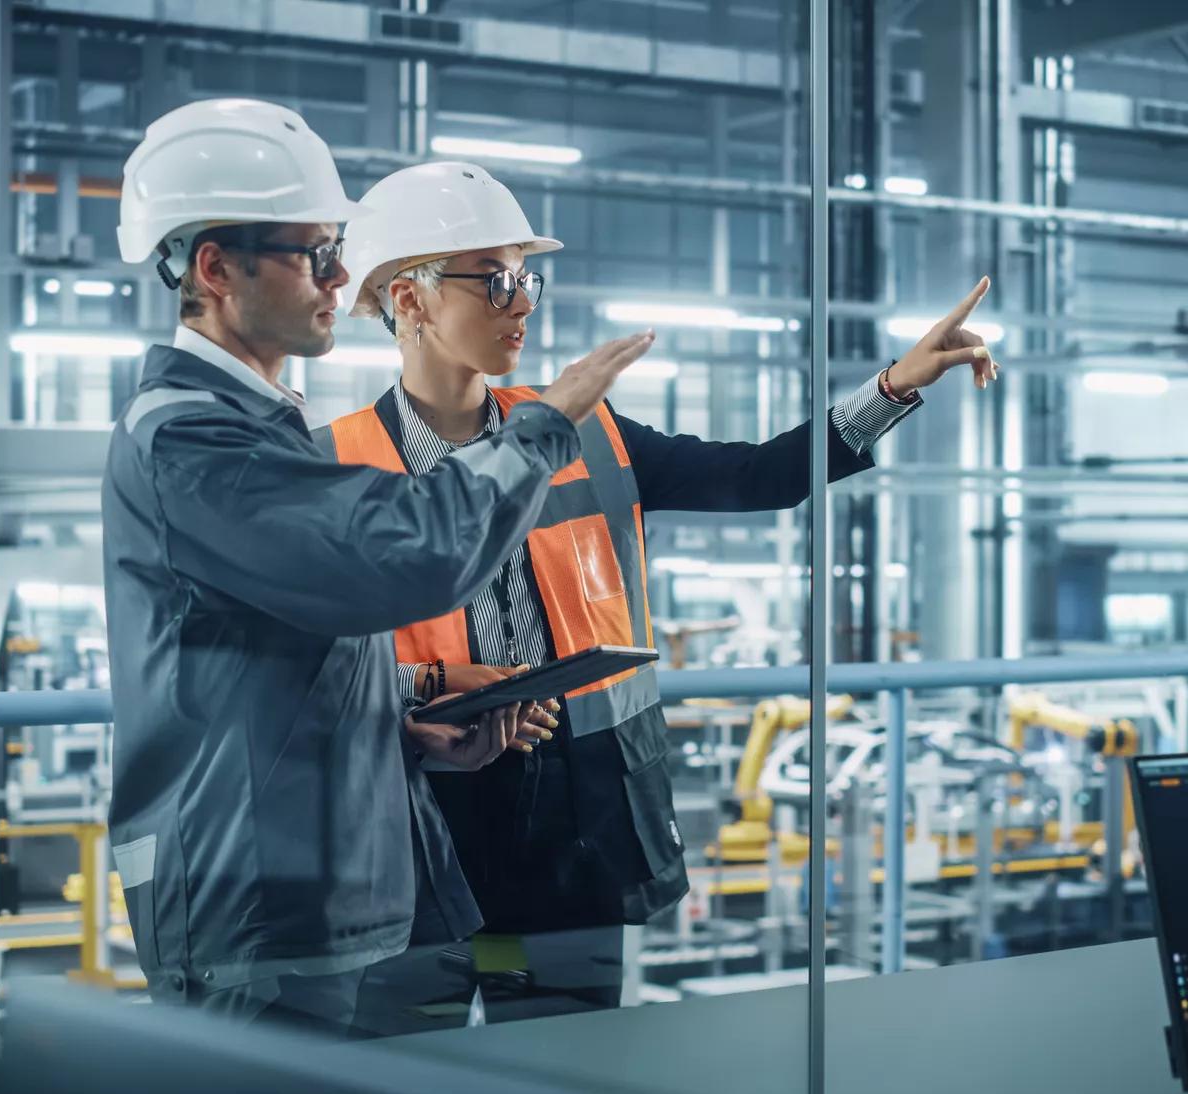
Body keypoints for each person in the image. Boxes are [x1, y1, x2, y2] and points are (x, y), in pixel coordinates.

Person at [322, 160, 999, 1023]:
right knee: (418, 1083)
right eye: (495, 280)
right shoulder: (332, 467)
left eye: (527, 277)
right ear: (407, 300)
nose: (523, 302)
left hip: (570, 834)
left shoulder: (591, 433)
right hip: (414, 833)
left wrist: (894, 386)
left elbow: (759, 474)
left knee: (565, 1075)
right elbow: (296, 673)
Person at [101, 101, 654, 1037]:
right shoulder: (192, 441)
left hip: (322, 881)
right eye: (316, 253)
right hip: (253, 904)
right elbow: (408, 557)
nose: (341, 277)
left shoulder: (260, 426)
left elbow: (283, 663)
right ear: (215, 268)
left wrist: (411, 721)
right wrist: (546, 422)